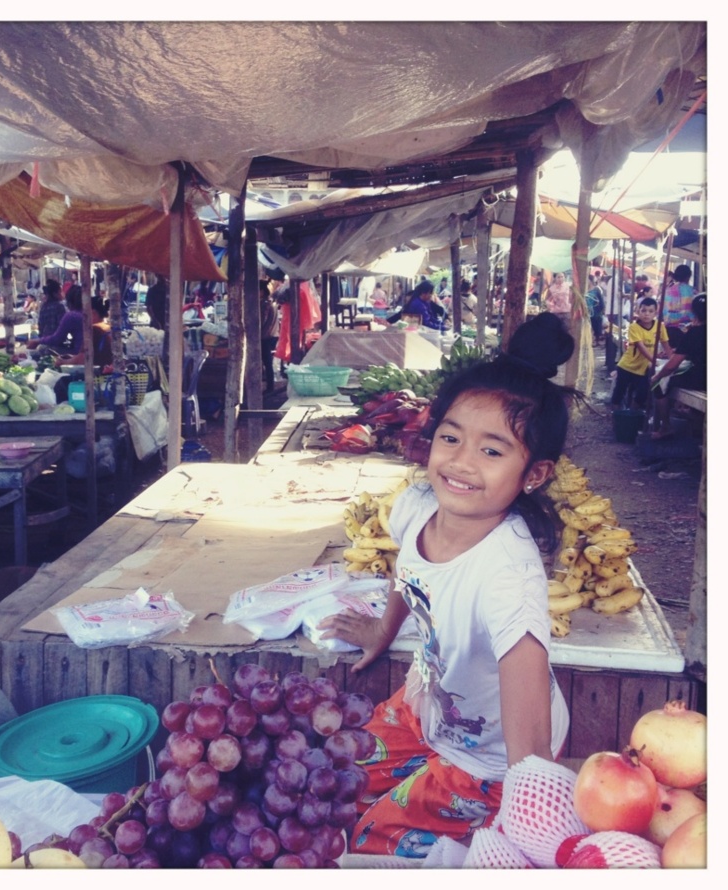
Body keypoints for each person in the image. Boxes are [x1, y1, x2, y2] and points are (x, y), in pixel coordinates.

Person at [318, 313, 575, 856]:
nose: (460, 462)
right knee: (329, 784)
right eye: (451, 437)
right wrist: (381, 633)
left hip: (491, 761)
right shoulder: (416, 508)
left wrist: (529, 828)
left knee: (363, 840)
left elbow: (528, 748)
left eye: (492, 450)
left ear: (534, 474)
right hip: (429, 709)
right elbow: (408, 576)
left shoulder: (509, 578)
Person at [650, 294, 706, 439]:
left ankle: (666, 426)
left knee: (658, 383)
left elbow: (672, 366)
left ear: (694, 312)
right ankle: (695, 421)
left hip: (701, 378)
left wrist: (657, 376)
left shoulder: (694, 332)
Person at [609, 296, 671, 411]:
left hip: (643, 368)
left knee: (642, 395)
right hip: (627, 366)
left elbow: (666, 344)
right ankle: (616, 418)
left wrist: (672, 361)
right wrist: (655, 361)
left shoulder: (660, 327)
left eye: (650, 311)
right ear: (638, 312)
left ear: (655, 313)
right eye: (643, 311)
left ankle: (632, 417)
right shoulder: (634, 327)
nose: (646, 314)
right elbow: (641, 347)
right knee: (619, 392)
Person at [29, 284, 84, 355]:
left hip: (77, 352)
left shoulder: (72, 315)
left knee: (43, 349)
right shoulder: (88, 313)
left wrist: (38, 341)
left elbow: (57, 338)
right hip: (53, 340)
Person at [663, 264, 696, 348]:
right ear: (688, 276)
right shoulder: (693, 291)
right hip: (687, 330)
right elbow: (696, 312)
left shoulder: (667, 290)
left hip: (669, 330)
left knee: (673, 356)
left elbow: (662, 310)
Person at [259, 281, 280, 394]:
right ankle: (269, 386)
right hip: (272, 335)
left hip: (265, 337)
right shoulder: (272, 302)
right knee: (267, 363)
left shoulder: (264, 304)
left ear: (261, 291)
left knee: (266, 363)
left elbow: (261, 321)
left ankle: (270, 387)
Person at [585, 274, 606, 346]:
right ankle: (593, 340)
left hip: (597, 311)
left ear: (590, 281)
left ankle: (598, 340)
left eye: (587, 280)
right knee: (591, 326)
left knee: (597, 326)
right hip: (588, 312)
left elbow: (601, 300)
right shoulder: (584, 290)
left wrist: (603, 309)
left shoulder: (596, 290)